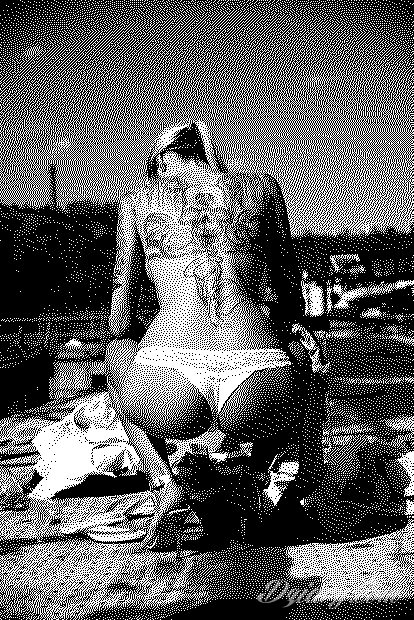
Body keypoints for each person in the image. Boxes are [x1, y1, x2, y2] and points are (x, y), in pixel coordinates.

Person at [103, 121, 327, 549]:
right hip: (257, 371)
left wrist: (126, 348)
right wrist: (295, 336)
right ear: (211, 153)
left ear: (158, 160)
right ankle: (275, 485)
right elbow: (289, 292)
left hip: (167, 378)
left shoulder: (139, 202)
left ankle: (167, 484)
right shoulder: (261, 188)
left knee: (117, 358)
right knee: (311, 360)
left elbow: (122, 307)